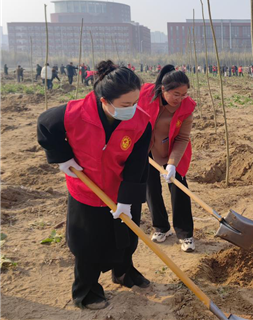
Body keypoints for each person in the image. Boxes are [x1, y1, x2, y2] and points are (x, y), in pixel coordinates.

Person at [37, 60, 152, 310]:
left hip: (120, 188)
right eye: (125, 105)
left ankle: (124, 273)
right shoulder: (74, 113)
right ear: (104, 101)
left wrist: (127, 199)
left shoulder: (141, 122)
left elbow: (138, 163)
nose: (132, 109)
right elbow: (45, 125)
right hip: (85, 188)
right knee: (87, 243)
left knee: (126, 237)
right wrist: (63, 156)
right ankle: (86, 289)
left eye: (135, 103)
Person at [138, 65, 197, 252]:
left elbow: (182, 138)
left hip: (172, 150)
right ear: (163, 90)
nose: (180, 99)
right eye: (176, 94)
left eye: (184, 94)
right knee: (151, 188)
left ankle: (185, 234)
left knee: (179, 189)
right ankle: (161, 227)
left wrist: (171, 165)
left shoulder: (187, 108)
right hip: (147, 148)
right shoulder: (146, 95)